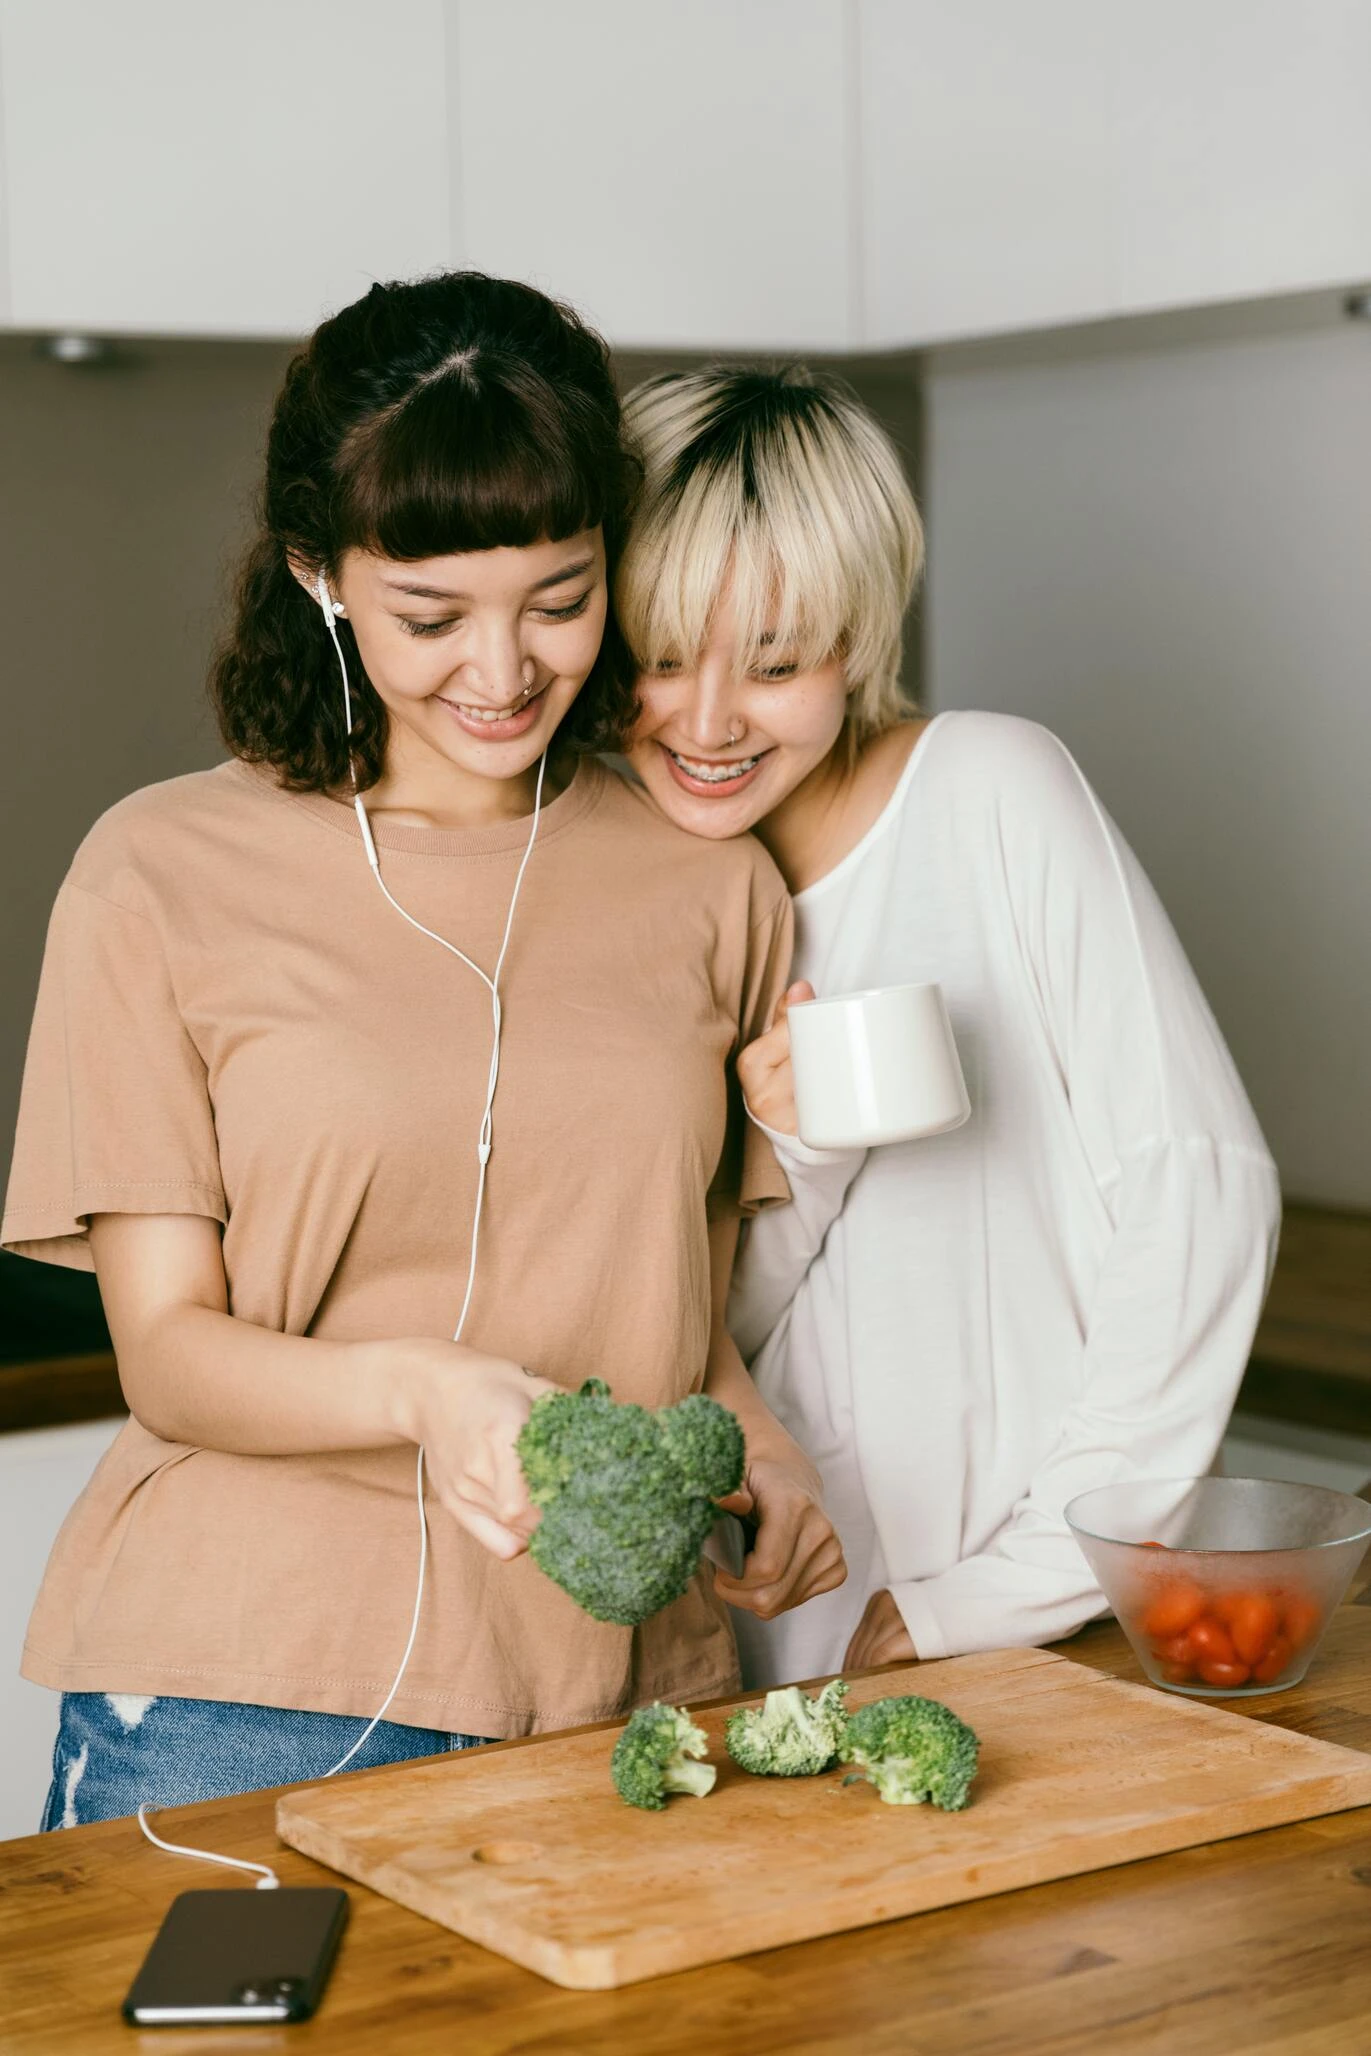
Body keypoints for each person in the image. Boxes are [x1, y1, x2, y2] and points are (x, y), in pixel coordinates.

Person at [2, 280, 844, 1829]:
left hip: (626, 1696)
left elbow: (666, 1281)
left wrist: (760, 1440)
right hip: (241, 1692)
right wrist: (428, 1389)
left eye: (560, 597)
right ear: (322, 577)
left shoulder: (711, 878)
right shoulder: (159, 870)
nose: (504, 669)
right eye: (431, 616)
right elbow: (168, 1354)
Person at [615, 364, 1281, 1688]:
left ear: (859, 642)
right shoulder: (639, 893)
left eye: (776, 662)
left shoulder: (988, 788)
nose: (703, 721)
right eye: (659, 656)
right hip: (786, 1623)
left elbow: (1197, 1192)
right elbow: (683, 1337)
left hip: (1046, 1609)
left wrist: (1010, 1587)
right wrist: (789, 1154)